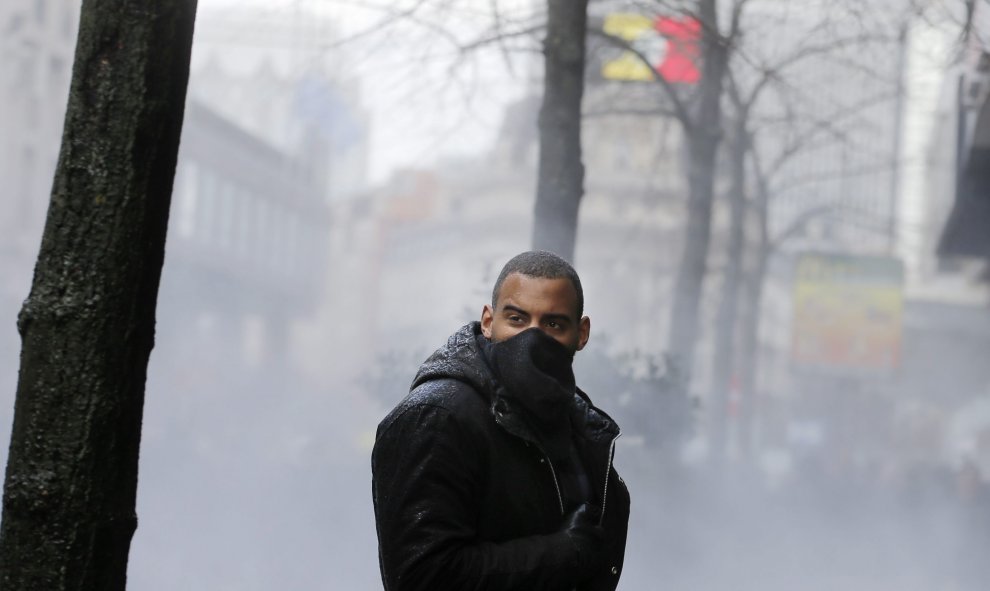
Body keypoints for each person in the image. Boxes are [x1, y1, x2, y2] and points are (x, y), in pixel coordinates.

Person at [372, 250, 630, 591]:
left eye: (553, 324)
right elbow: (421, 577)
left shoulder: (578, 427)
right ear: (488, 321)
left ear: (581, 333)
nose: (533, 338)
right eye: (518, 320)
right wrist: (562, 554)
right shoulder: (436, 417)